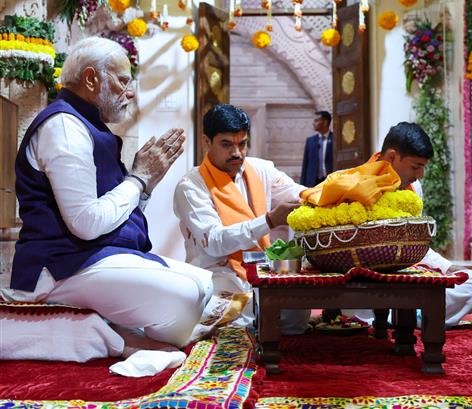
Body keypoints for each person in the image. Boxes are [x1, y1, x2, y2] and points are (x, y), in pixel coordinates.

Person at [9, 36, 213, 348]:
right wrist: (138, 179)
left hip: (89, 258)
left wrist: (145, 187)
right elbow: (87, 224)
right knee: (186, 294)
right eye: (122, 81)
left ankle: (126, 334)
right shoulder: (64, 126)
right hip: (58, 267)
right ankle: (126, 342)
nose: (130, 92)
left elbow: (112, 214)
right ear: (91, 79)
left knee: (204, 283)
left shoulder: (89, 125)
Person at [173, 104, 310, 334]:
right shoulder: (191, 187)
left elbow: (300, 194)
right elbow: (215, 241)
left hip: (261, 272)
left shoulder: (260, 170)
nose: (237, 153)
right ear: (207, 142)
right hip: (218, 278)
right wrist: (268, 221)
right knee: (228, 318)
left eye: (242, 143)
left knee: (297, 309)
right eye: (226, 144)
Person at [346, 122, 472, 327]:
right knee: (355, 295)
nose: (420, 175)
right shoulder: (353, 183)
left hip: (404, 274)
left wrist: (446, 267)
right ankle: (409, 315)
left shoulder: (413, 188)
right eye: (415, 167)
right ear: (392, 157)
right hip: (365, 282)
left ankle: (405, 317)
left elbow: (414, 244)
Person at [300, 111, 333, 187]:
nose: (313, 123)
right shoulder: (310, 141)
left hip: (330, 180)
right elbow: (305, 164)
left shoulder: (335, 139)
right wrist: (302, 185)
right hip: (313, 182)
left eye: (316, 120)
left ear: (325, 122)